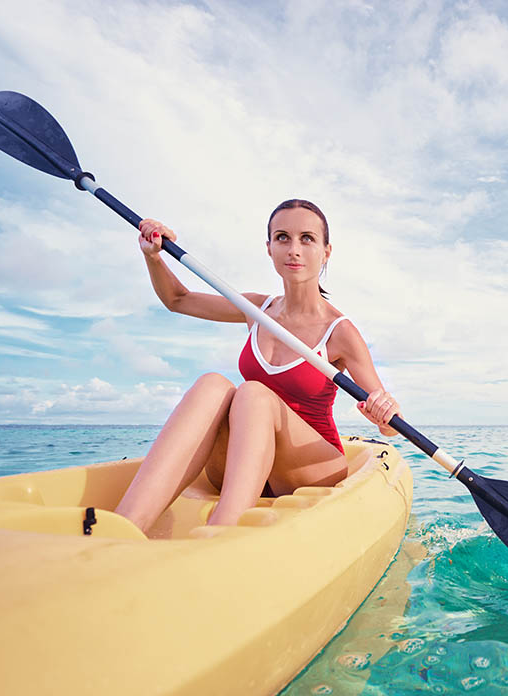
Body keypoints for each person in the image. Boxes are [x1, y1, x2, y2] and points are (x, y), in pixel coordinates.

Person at [114, 199, 401, 534]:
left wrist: (386, 414)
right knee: (213, 384)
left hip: (308, 467)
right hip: (246, 463)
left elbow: (391, 428)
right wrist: (154, 256)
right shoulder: (255, 308)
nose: (294, 249)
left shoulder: (340, 331)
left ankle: (220, 534)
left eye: (307, 239)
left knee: (252, 393)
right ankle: (124, 526)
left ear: (326, 251)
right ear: (269, 248)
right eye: (283, 237)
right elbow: (178, 300)